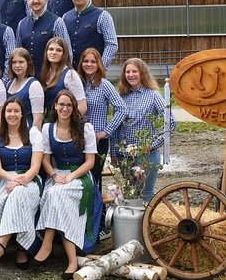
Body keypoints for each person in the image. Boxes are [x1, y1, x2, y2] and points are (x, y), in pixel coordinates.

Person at [34, 90, 100, 278]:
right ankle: (72, 260)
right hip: (57, 176)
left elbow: (90, 162)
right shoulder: (48, 129)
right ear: (55, 106)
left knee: (56, 195)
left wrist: (70, 177)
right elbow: (45, 160)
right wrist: (54, 175)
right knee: (57, 196)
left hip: (80, 177)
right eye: (61, 104)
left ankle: (47, 242)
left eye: (68, 105)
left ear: (74, 108)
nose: (64, 108)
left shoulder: (85, 128)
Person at [0, 98, 46, 268]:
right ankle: (22, 249)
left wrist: (21, 180)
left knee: (19, 194)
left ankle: (1, 244)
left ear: (22, 113)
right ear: (3, 114)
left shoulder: (33, 133)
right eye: (9, 111)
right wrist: (12, 179)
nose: (12, 114)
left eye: (16, 111)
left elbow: (35, 167)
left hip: (29, 180)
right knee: (10, 197)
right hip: (3, 180)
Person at [104, 58, 174, 203]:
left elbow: (171, 122)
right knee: (132, 193)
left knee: (146, 194)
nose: (131, 75)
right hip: (124, 156)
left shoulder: (153, 95)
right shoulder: (121, 96)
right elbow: (116, 126)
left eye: (134, 71)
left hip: (145, 156)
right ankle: (132, 224)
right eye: (127, 71)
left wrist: (153, 144)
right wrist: (114, 154)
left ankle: (147, 225)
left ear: (142, 73)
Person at [79, 48, 123, 180]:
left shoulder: (104, 85)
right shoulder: (77, 84)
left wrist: (105, 132)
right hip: (79, 140)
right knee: (81, 178)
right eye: (86, 61)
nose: (89, 64)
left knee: (94, 178)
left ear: (99, 64)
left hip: (98, 141)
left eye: (93, 61)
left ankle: (96, 201)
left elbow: (122, 109)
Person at [63, 0, 119, 72]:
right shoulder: (65, 17)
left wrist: (100, 67)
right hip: (72, 72)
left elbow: (111, 44)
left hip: (93, 72)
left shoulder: (102, 16)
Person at [16, 0, 69, 79]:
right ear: (27, 0)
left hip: (50, 78)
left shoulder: (57, 22)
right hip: (27, 78)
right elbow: (18, 53)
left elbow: (66, 52)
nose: (35, 1)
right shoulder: (21, 24)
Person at [40, 37, 87, 119]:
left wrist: (69, 125)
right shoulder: (46, 74)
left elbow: (82, 106)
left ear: (64, 54)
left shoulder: (70, 75)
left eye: (58, 50)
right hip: (48, 123)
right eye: (51, 49)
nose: (54, 52)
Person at [5, 48, 45, 131]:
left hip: (27, 129)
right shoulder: (9, 84)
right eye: (14, 62)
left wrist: (34, 138)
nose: (17, 65)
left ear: (28, 64)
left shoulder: (34, 85)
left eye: (21, 62)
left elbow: (38, 118)